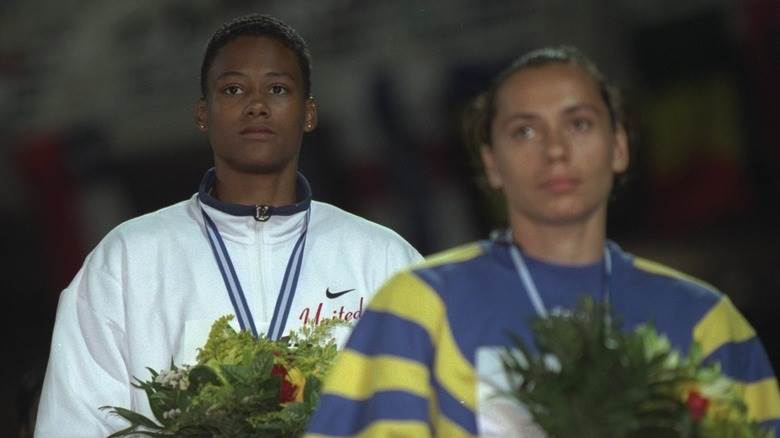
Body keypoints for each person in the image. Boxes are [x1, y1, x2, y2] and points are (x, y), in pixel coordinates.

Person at [306, 46, 780, 437]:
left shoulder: (710, 321)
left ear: (619, 146)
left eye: (579, 124)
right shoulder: (417, 308)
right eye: (525, 130)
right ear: (491, 161)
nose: (555, 151)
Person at [35, 13, 421, 437]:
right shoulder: (129, 259)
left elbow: (436, 409)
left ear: (308, 113)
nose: (257, 104)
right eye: (233, 89)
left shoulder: (382, 257)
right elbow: (73, 423)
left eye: (278, 89)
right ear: (204, 113)